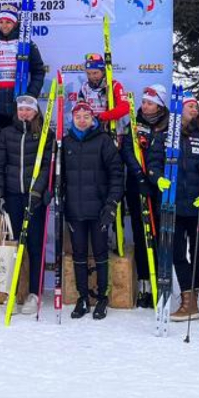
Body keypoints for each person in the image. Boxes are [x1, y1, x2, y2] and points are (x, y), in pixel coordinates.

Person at [0, 94, 54, 315]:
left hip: (34, 197)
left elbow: (48, 166)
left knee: (35, 246)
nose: (24, 113)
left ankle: (34, 293)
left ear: (36, 112)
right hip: (13, 197)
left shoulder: (45, 135)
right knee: (14, 246)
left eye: (28, 109)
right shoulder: (7, 134)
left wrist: (38, 191)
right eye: (21, 109)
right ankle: (13, 292)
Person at [60, 101, 124, 320]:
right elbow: (60, 177)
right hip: (75, 210)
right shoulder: (65, 142)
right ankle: (83, 297)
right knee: (78, 254)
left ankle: (102, 297)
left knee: (99, 253)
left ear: (93, 118)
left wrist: (111, 205)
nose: (82, 119)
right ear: (72, 118)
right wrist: (58, 199)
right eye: (78, 116)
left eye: (86, 116)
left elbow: (116, 174)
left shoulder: (103, 141)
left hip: (99, 209)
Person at [168, 92, 199, 322]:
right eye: (189, 106)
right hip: (175, 204)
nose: (194, 109)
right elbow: (156, 162)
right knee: (177, 252)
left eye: (196, 106)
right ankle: (187, 296)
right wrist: (159, 177)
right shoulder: (167, 135)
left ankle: (194, 296)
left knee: (197, 251)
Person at [0, 2, 46, 152]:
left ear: (16, 23)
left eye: (8, 22)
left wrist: (31, 95)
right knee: (0, 146)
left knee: (21, 146)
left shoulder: (26, 44)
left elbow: (38, 71)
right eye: (0, 22)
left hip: (20, 104)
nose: (4, 26)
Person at [122, 83, 167, 307]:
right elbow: (128, 150)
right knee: (141, 235)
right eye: (144, 102)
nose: (145, 106)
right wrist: (139, 176)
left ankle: (159, 282)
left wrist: (152, 178)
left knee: (158, 235)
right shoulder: (134, 121)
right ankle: (144, 285)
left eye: (150, 103)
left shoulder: (168, 125)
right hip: (137, 184)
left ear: (159, 105)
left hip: (158, 186)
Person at [71, 53, 128, 130]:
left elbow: (125, 108)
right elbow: (79, 109)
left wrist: (102, 117)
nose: (91, 77)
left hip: (111, 129)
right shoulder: (84, 87)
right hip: (91, 130)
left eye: (95, 73)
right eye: (88, 73)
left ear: (103, 72)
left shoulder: (114, 86)